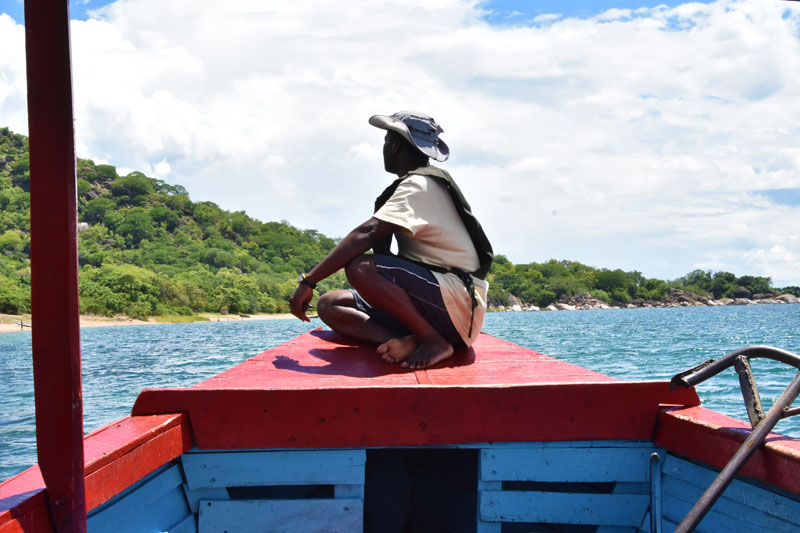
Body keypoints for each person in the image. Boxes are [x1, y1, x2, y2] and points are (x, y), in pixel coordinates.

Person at [289, 111, 492, 369]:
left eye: (386, 141)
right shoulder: (416, 184)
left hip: (456, 307)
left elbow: (368, 233)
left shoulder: (419, 185)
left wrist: (309, 281)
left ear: (395, 144)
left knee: (360, 266)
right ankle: (409, 340)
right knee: (330, 304)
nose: (384, 148)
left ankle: (434, 341)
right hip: (440, 305)